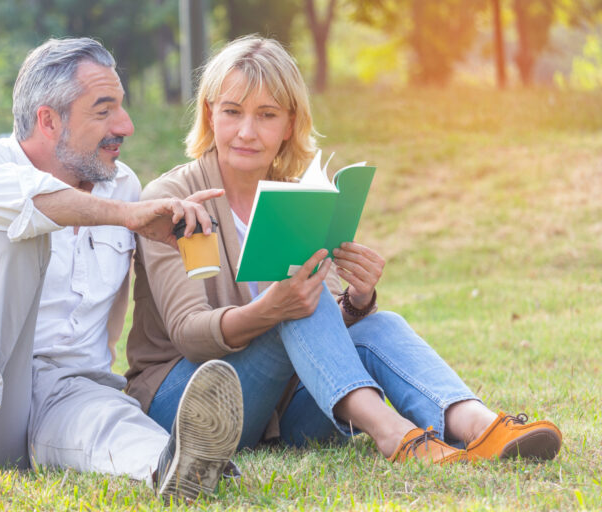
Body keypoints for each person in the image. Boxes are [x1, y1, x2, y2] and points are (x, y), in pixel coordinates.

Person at [125, 35, 562, 464]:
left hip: (278, 411)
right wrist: (273, 308)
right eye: (232, 112)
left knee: (376, 323)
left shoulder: (297, 199)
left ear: (289, 124)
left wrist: (356, 301)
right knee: (298, 302)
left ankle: (478, 425)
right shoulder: (171, 197)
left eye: (266, 115)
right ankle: (396, 435)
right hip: (188, 404)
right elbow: (189, 335)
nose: (246, 131)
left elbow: (328, 328)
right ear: (210, 114)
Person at [0, 37, 243, 501]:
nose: (126, 125)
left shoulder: (122, 185)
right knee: (9, 229)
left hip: (70, 390)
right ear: (48, 120)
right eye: (103, 111)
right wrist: (125, 218)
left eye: (121, 107)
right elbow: (17, 201)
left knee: (113, 422)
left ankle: (181, 462)